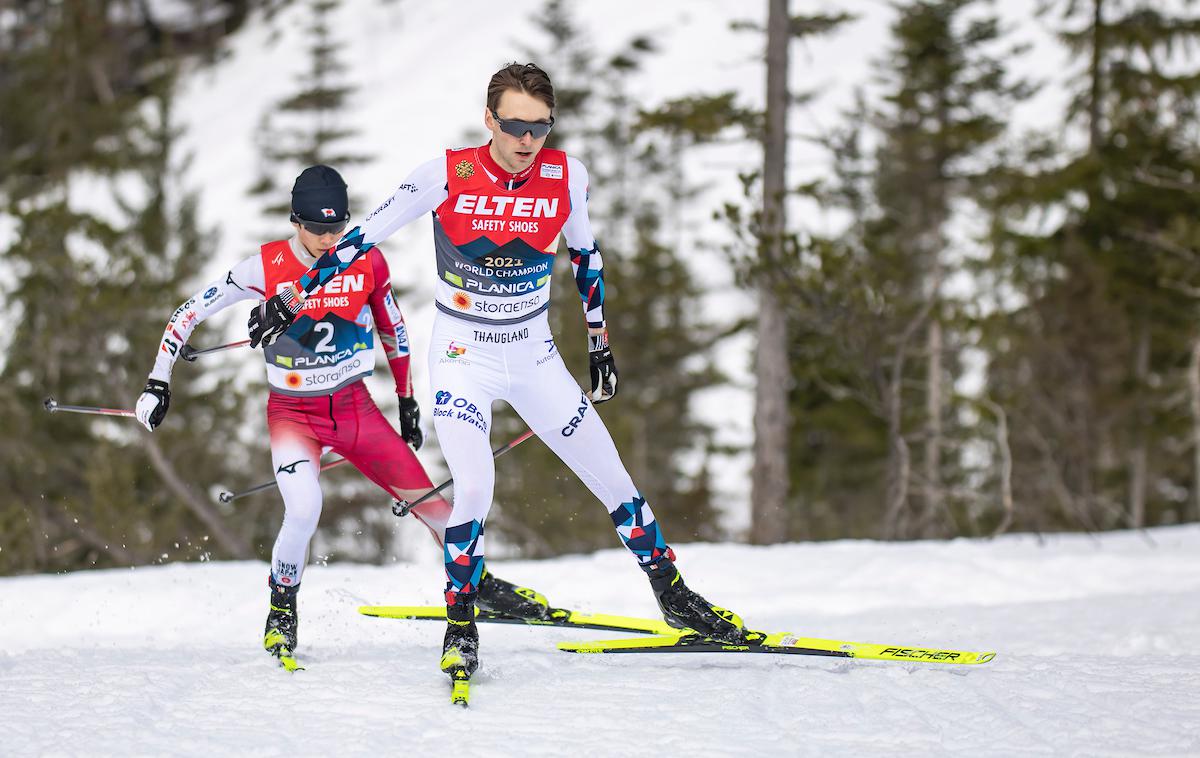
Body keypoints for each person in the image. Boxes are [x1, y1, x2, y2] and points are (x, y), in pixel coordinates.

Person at [246, 63, 748, 683]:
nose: (526, 141)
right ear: (490, 119)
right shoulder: (445, 175)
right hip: (463, 357)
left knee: (615, 479)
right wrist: (291, 298)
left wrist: (599, 344)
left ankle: (676, 599)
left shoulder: (567, 177)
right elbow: (359, 240)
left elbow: (586, 258)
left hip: (534, 355)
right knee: (475, 489)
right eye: (513, 125)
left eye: (539, 127)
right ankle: (461, 628)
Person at [135, 165, 550, 667]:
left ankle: (477, 584)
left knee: (441, 508)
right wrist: (159, 380)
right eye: (318, 229)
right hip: (294, 415)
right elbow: (186, 314)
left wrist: (407, 398)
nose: (331, 240)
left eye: (338, 228)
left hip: (356, 410)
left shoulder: (365, 259)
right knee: (305, 509)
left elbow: (393, 326)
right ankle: (282, 609)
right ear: (295, 221)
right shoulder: (263, 267)